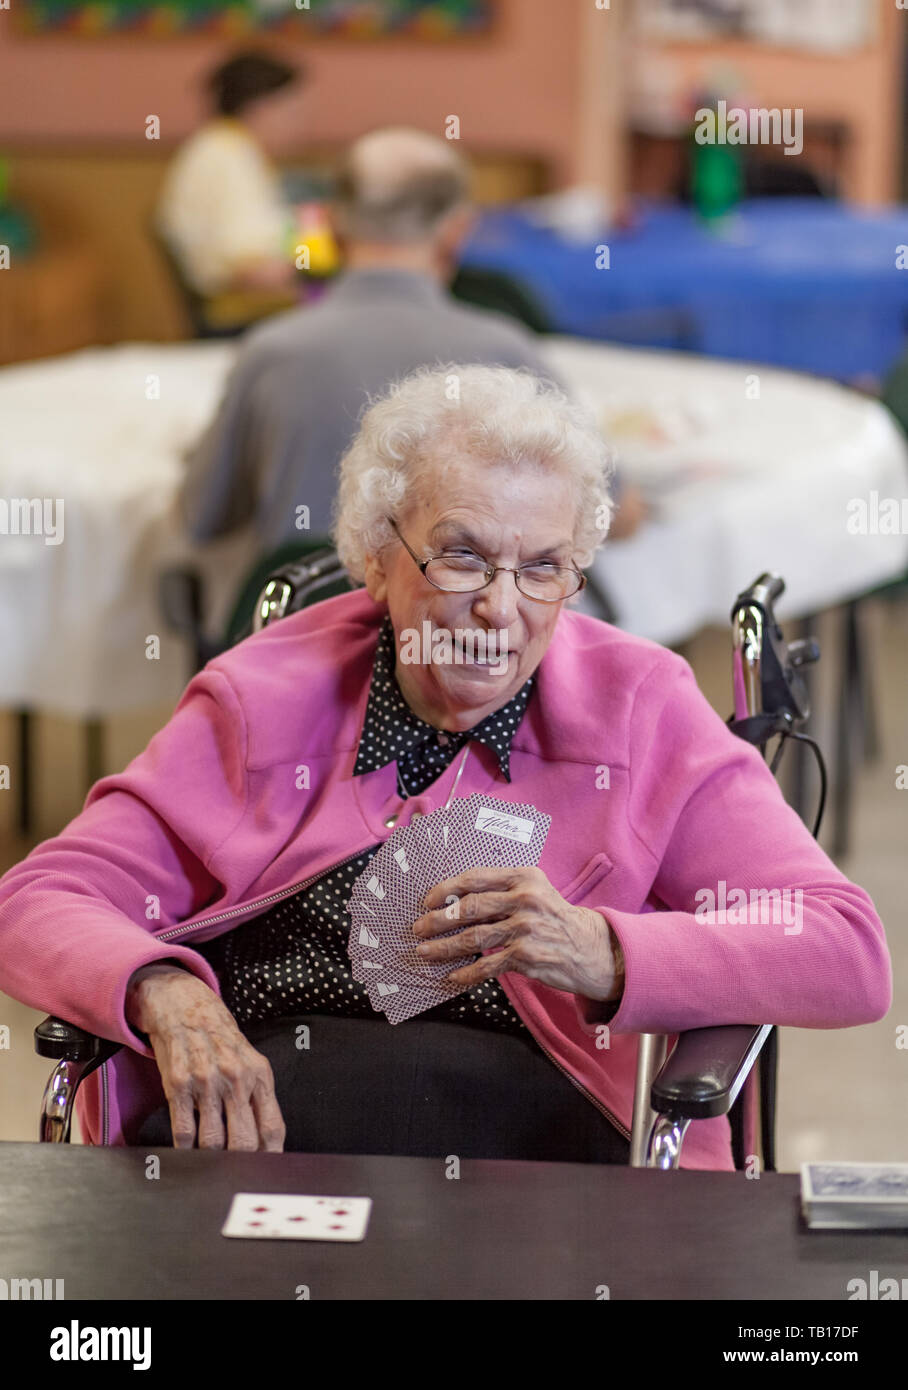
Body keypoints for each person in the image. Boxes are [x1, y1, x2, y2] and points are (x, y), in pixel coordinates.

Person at [0, 366, 890, 1170]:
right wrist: (163, 992)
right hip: (260, 1140)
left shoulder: (641, 707)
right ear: (378, 558)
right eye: (461, 554)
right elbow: (38, 899)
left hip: (537, 1154)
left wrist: (607, 952)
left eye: (543, 567)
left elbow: (844, 949)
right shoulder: (263, 695)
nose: (501, 608)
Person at [179, 125, 646, 549]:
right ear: (456, 230)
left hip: (302, 628)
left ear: (334, 224)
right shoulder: (504, 352)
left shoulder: (270, 351)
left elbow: (200, 519)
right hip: (467, 634)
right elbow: (615, 513)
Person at [155, 50, 304, 327]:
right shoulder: (228, 158)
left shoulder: (223, 147)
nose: (298, 125)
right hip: (239, 311)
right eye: (291, 112)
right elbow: (250, 270)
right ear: (261, 108)